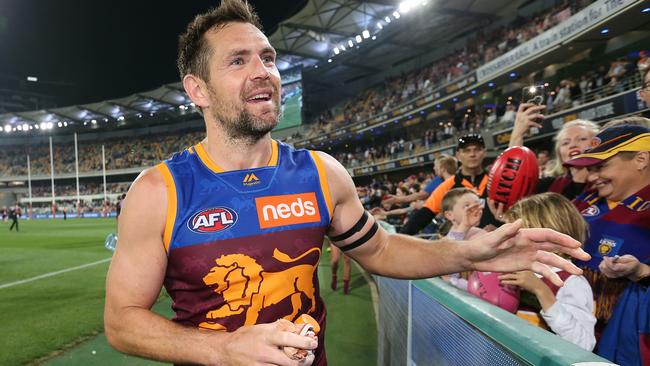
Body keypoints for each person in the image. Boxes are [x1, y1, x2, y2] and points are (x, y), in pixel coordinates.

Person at [104, 2, 590, 365]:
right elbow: (122, 320)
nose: (263, 73)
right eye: (238, 61)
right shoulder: (159, 191)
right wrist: (225, 347)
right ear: (197, 90)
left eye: (267, 58)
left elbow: (379, 251)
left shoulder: (320, 172)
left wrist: (471, 253)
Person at [565, 124, 650, 365]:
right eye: (590, 169)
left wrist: (641, 273)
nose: (592, 178)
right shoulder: (584, 200)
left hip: (633, 343)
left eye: (601, 166)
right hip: (573, 335)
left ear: (641, 159)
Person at [499, 193, 596, 351]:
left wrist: (541, 291)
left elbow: (583, 344)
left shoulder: (571, 282)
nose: (508, 242)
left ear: (547, 236)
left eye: (515, 236)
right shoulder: (515, 267)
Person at [402, 134, 499, 234]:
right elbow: (423, 216)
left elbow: (511, 215)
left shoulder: (497, 182)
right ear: (458, 155)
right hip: (463, 247)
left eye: (477, 149)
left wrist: (501, 228)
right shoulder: (448, 186)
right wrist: (397, 241)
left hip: (498, 245)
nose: (472, 154)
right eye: (466, 150)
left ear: (484, 152)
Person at [382, 154, 457, 206]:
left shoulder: (439, 180)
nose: (434, 168)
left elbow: (421, 195)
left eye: (435, 166)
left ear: (442, 168)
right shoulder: (458, 178)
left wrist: (397, 199)